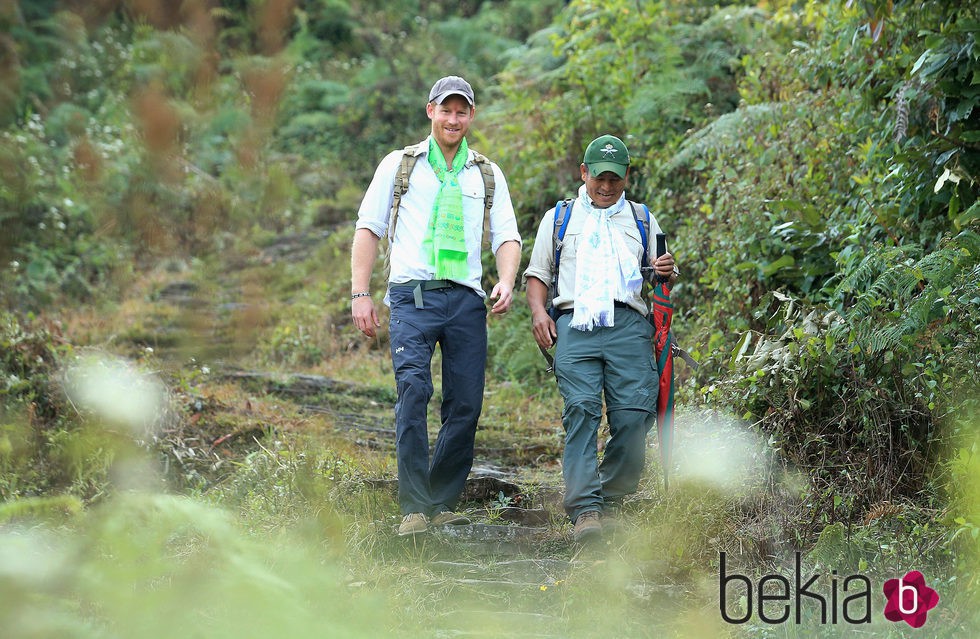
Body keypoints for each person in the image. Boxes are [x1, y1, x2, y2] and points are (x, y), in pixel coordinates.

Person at [350, 75, 522, 536]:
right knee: (414, 392)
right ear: (430, 111)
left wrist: (506, 280)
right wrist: (361, 293)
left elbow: (506, 234)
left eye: (461, 111)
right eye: (445, 110)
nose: (453, 118)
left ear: (471, 116)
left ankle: (442, 500)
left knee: (465, 402)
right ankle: (413, 506)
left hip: (465, 299)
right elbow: (369, 227)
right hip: (413, 296)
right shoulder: (400, 164)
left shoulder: (486, 173)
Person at [523, 134, 677, 543]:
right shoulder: (560, 218)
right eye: (599, 178)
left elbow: (662, 277)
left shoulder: (642, 218)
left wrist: (666, 269)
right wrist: (540, 312)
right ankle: (586, 509)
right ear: (584, 173)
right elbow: (537, 274)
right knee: (582, 408)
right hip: (575, 325)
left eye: (615, 179)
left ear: (626, 176)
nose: (606, 187)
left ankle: (611, 498)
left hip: (629, 326)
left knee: (632, 417)